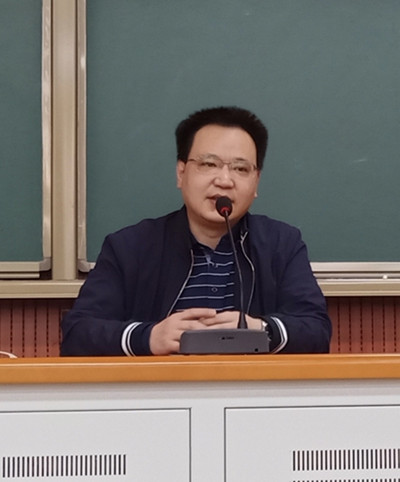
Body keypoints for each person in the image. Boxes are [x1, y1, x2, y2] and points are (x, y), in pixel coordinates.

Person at [61, 106, 331, 356]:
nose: (224, 180)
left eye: (240, 169)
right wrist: (149, 337)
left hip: (250, 388)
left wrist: (261, 330)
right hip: (159, 387)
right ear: (181, 173)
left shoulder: (281, 244)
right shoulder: (129, 247)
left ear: (256, 181)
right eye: (209, 164)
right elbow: (77, 335)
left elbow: (316, 331)